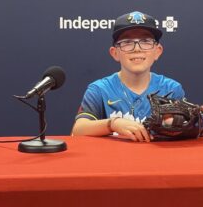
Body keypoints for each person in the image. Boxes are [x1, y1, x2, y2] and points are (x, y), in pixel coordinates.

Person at [71, 11, 185, 142]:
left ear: (157, 51)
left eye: (146, 41)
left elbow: (185, 131)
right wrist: (112, 124)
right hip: (113, 160)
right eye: (127, 42)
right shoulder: (99, 89)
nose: (137, 49)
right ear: (115, 53)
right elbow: (78, 129)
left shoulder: (171, 88)